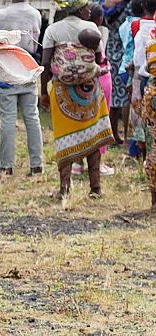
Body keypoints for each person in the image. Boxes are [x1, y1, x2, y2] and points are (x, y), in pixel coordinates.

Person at [46, 21, 114, 203]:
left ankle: (64, 188)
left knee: (65, 139)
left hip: (63, 95)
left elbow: (45, 63)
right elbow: (100, 60)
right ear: (82, 11)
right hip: (90, 92)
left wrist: (44, 94)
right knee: (93, 135)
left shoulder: (53, 30)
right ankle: (95, 188)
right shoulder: (91, 29)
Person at [0, 0, 44, 175]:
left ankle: (6, 165)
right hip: (27, 66)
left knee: (7, 119)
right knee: (32, 117)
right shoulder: (35, 14)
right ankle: (36, 164)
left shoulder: (0, 15)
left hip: (8, 68)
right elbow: (35, 40)